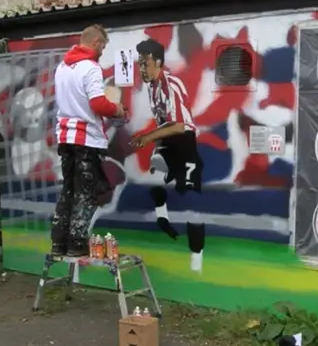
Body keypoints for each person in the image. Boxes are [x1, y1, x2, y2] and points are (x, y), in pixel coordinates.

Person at [51, 24, 126, 257]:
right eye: (102, 46)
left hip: (65, 137)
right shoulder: (91, 68)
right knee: (88, 192)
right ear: (95, 43)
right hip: (86, 140)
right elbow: (97, 104)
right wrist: (117, 110)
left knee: (69, 190)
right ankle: (77, 243)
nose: (102, 51)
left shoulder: (63, 67)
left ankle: (59, 241)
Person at [132, 38, 206, 272]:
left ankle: (197, 259)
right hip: (167, 142)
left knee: (192, 204)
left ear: (159, 62)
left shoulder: (169, 85)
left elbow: (180, 125)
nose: (142, 69)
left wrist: (148, 137)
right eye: (140, 64)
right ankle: (163, 217)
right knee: (154, 174)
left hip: (184, 143)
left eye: (146, 64)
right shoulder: (151, 86)